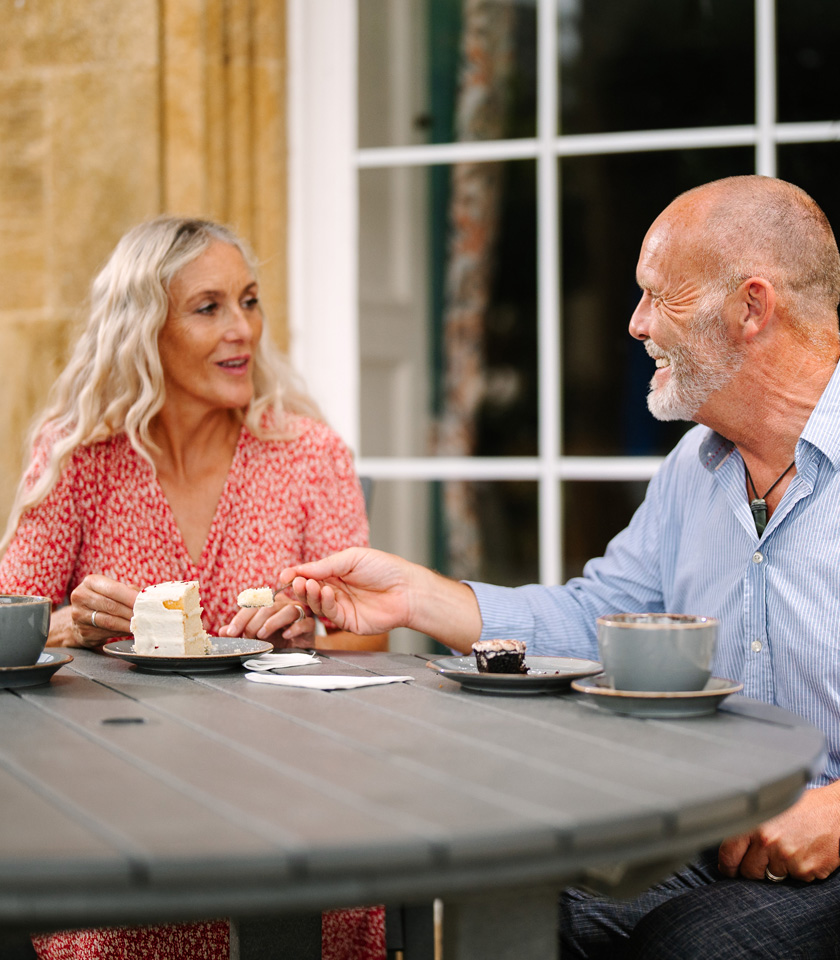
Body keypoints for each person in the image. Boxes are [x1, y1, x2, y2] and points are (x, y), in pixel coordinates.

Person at [277, 176, 840, 958]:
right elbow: (596, 623)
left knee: (696, 946)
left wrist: (836, 812)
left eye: (657, 295)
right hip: (720, 829)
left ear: (752, 308)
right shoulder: (694, 470)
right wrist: (415, 597)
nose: (637, 324)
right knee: (533, 908)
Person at [0, 216, 385, 959]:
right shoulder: (80, 454)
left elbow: (370, 631)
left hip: (284, 794)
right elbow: (10, 619)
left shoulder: (309, 453)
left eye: (248, 300)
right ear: (144, 327)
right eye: (208, 308)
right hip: (115, 798)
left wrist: (312, 629)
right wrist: (71, 625)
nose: (241, 328)